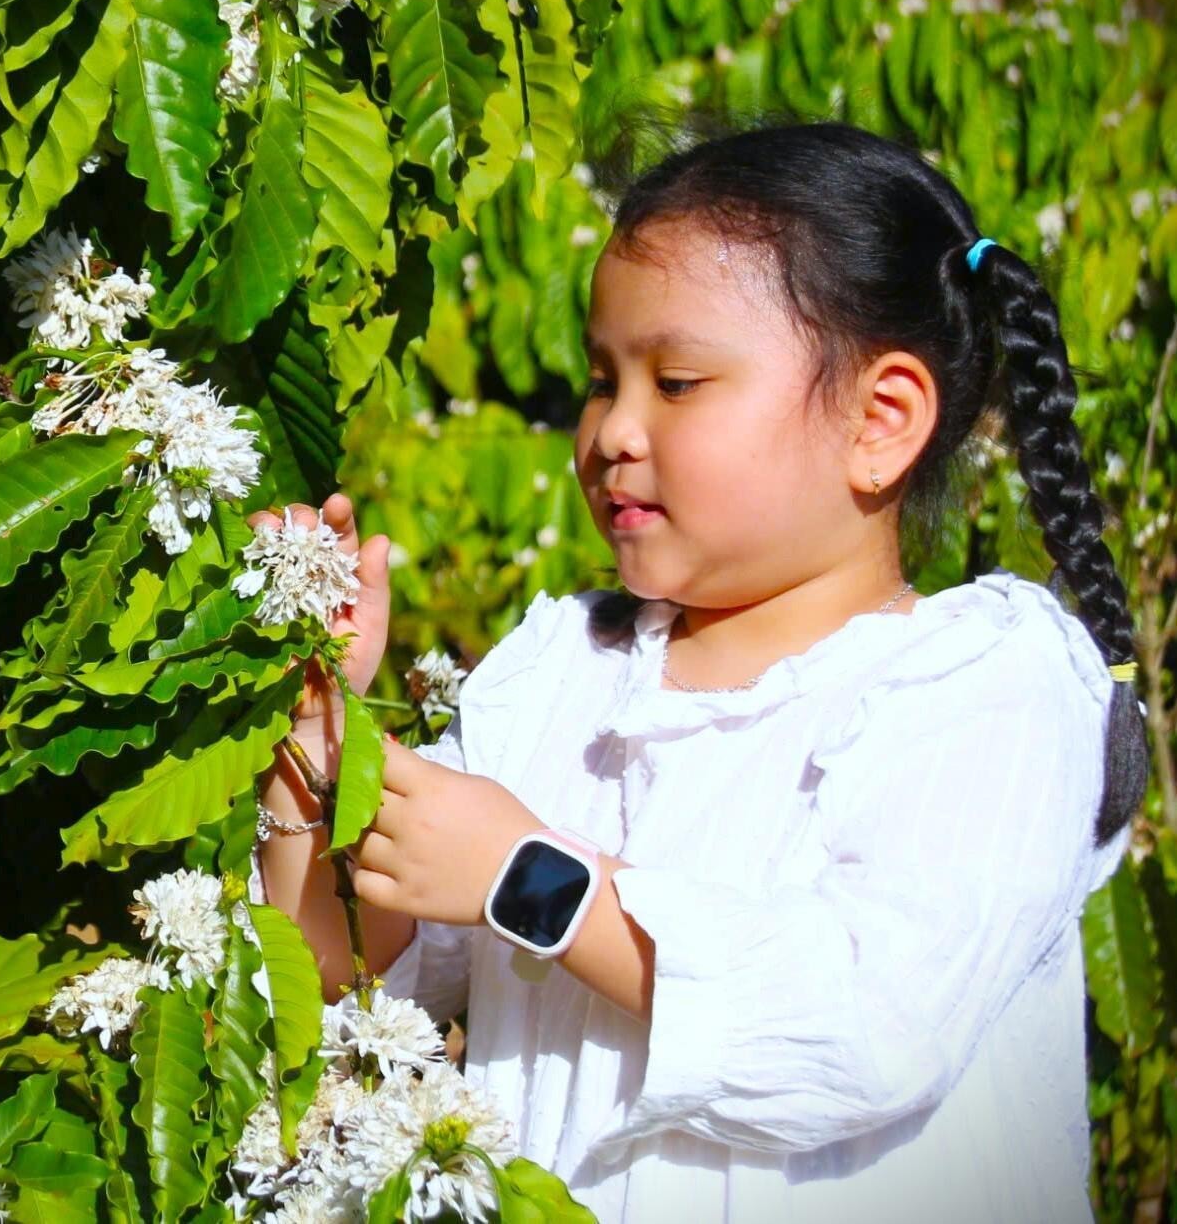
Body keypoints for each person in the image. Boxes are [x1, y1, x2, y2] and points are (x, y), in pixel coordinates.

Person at [249, 120, 1149, 1223]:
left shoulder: (984, 682)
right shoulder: (559, 679)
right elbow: (340, 975)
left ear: (881, 421)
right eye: (599, 380)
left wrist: (527, 877)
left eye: (676, 381)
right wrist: (315, 747)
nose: (613, 431)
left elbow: (867, 1020)